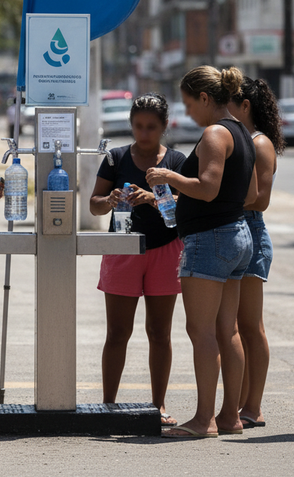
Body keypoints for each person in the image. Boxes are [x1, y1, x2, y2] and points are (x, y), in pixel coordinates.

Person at [147, 66, 257, 439]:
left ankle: (204, 419)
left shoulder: (213, 133)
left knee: (201, 330)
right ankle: (230, 417)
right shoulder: (243, 132)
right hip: (238, 233)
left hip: (210, 240)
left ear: (205, 99)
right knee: (229, 330)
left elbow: (207, 187)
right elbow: (250, 193)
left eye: (190, 104)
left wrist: (169, 178)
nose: (188, 113)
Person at [89, 93, 186, 428]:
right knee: (118, 332)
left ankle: (157, 405)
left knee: (159, 332)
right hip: (123, 249)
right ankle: (107, 405)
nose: (144, 133)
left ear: (164, 126)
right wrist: (110, 198)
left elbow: (188, 204)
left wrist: (157, 200)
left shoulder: (175, 160)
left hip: (165, 249)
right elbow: (94, 204)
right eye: (138, 126)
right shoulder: (116, 158)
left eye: (151, 127)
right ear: (131, 124)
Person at [227, 77, 284, 429]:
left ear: (245, 105)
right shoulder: (242, 140)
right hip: (234, 227)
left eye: (229, 102)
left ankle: (253, 407)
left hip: (250, 229)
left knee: (250, 326)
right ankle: (241, 404)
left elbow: (261, 199)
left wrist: (217, 197)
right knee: (234, 326)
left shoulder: (259, 143)